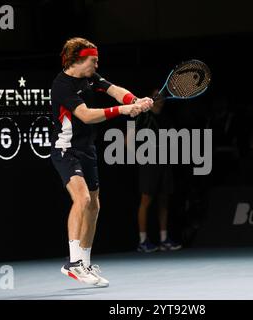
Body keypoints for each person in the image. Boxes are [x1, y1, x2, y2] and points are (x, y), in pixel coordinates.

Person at [50, 37, 153, 286]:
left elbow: (115, 90)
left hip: (88, 150)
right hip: (66, 150)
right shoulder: (61, 85)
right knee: (82, 198)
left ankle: (84, 263)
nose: (97, 64)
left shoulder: (90, 77)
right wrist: (121, 111)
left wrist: (134, 101)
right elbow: (85, 115)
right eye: (93, 60)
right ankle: (73, 263)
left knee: (94, 205)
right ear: (79, 60)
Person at [131, 89, 182, 253]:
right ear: (151, 100)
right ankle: (143, 241)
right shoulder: (143, 117)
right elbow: (127, 139)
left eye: (162, 97)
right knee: (146, 201)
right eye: (156, 97)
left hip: (165, 162)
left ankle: (163, 239)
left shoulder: (166, 118)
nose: (160, 99)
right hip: (149, 163)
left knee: (164, 200)